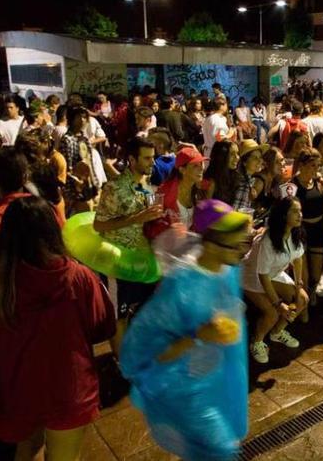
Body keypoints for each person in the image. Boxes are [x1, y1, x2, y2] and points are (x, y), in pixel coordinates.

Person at [0, 196, 116, 461]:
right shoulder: (79, 277)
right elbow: (102, 325)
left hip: (16, 394)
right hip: (70, 389)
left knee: (27, 451)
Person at [119, 199, 251, 459]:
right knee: (219, 451)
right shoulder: (181, 286)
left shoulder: (227, 268)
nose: (241, 253)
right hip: (187, 388)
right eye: (235, 246)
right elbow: (145, 350)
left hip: (219, 380)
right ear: (211, 244)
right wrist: (199, 335)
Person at [94, 137, 162, 351]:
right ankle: (122, 366)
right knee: (119, 315)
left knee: (142, 307)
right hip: (118, 261)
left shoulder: (148, 186)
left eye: (153, 157)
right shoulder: (114, 188)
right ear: (132, 160)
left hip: (142, 258)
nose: (152, 162)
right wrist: (135, 218)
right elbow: (99, 225)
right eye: (147, 158)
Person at [243, 196, 309, 364]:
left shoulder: (295, 233)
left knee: (302, 299)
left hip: (272, 274)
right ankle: (256, 342)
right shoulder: (268, 240)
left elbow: (298, 259)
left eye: (300, 211)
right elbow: (262, 276)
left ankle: (277, 333)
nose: (299, 214)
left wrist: (298, 283)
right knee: (272, 313)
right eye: (295, 211)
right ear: (283, 214)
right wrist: (279, 304)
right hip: (251, 276)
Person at [291, 149, 323, 306]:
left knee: (315, 275)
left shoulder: (319, 183)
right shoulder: (292, 185)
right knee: (303, 275)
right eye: (312, 165)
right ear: (302, 165)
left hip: (319, 229)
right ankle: (303, 304)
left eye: (318, 166)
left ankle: (311, 291)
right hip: (301, 230)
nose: (316, 169)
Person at [157, 146, 205, 229]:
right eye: (195, 166)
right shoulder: (164, 193)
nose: (201, 168)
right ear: (182, 170)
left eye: (201, 164)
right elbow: (155, 223)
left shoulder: (199, 192)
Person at [233, 139, 266, 214]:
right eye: (255, 158)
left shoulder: (248, 180)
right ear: (244, 162)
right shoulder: (243, 183)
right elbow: (237, 212)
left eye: (260, 157)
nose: (260, 161)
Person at [203, 141, 240, 205]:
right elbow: (204, 210)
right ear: (221, 157)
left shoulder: (233, 176)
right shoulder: (211, 182)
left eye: (237, 153)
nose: (237, 157)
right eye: (232, 154)